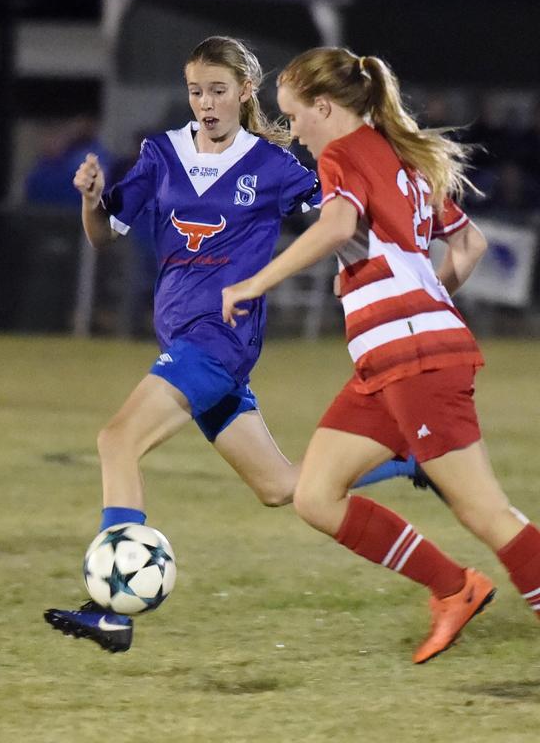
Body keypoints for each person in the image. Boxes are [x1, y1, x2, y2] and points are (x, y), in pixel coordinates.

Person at [43, 36, 426, 653]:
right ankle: (413, 460)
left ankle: (112, 611)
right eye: (196, 91)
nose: (206, 103)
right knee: (281, 488)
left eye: (219, 90)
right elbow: (104, 234)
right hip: (188, 341)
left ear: (246, 91)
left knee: (117, 440)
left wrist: (398, 249)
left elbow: (342, 213)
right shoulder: (161, 154)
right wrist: (90, 200)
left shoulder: (274, 167)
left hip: (218, 341)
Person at [222, 47, 540, 663]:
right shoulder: (402, 156)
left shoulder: (344, 153)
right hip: (390, 362)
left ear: (324, 107)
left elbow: (338, 227)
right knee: (315, 496)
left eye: (295, 119)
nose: (295, 135)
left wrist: (254, 282)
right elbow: (468, 245)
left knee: (483, 510)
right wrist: (413, 295)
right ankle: (454, 589)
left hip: (414, 361)